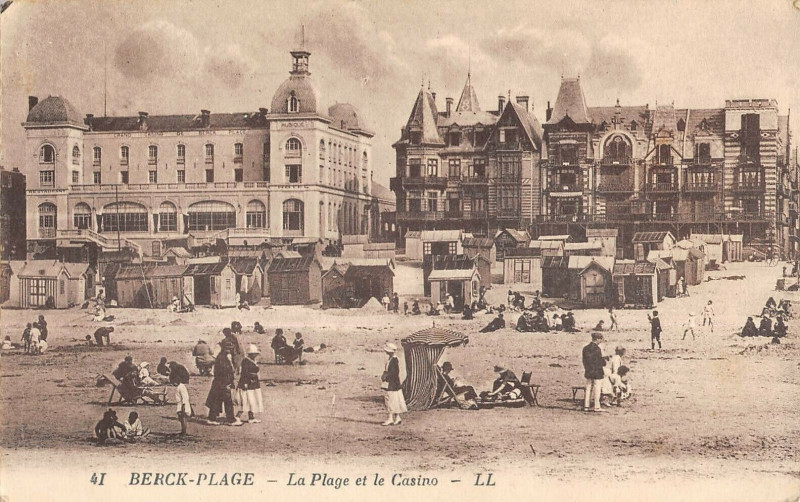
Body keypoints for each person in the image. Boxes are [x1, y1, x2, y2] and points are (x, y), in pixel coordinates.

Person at [205, 347, 241, 426]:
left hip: (220, 383)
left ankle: (212, 418)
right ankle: (230, 419)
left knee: (216, 401)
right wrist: (227, 383)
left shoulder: (223, 357)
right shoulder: (222, 359)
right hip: (222, 383)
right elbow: (224, 372)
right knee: (227, 402)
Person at [236, 344, 264, 424]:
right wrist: (245, 383)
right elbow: (244, 373)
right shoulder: (246, 361)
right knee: (246, 401)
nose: (255, 355)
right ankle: (237, 416)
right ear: (250, 354)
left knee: (252, 401)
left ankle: (251, 417)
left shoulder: (253, 361)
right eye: (253, 354)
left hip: (254, 383)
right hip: (247, 383)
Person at [381, 343, 407, 426]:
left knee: (390, 400)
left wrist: (386, 376)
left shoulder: (394, 360)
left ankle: (390, 418)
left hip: (392, 383)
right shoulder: (392, 359)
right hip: (394, 383)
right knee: (395, 400)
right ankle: (397, 417)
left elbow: (394, 373)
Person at [582, 332, 607, 412]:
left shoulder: (585, 348)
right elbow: (599, 361)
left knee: (588, 388)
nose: (601, 341)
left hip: (589, 370)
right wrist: (604, 361)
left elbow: (584, 361)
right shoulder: (597, 349)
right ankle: (597, 406)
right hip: (597, 371)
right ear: (597, 339)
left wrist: (587, 368)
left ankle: (586, 406)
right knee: (597, 389)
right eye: (600, 339)